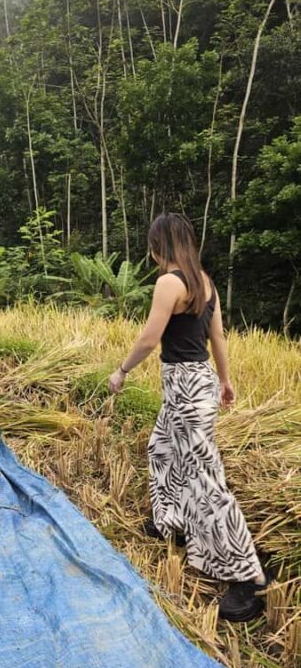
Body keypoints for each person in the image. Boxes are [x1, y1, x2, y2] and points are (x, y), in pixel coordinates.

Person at [108, 213, 268, 622]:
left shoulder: (168, 282)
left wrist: (122, 371)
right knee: (161, 448)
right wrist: (225, 381)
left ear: (157, 244)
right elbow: (217, 337)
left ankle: (246, 580)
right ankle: (171, 522)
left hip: (185, 385)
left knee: (205, 479)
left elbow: (150, 336)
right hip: (196, 384)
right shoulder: (204, 281)